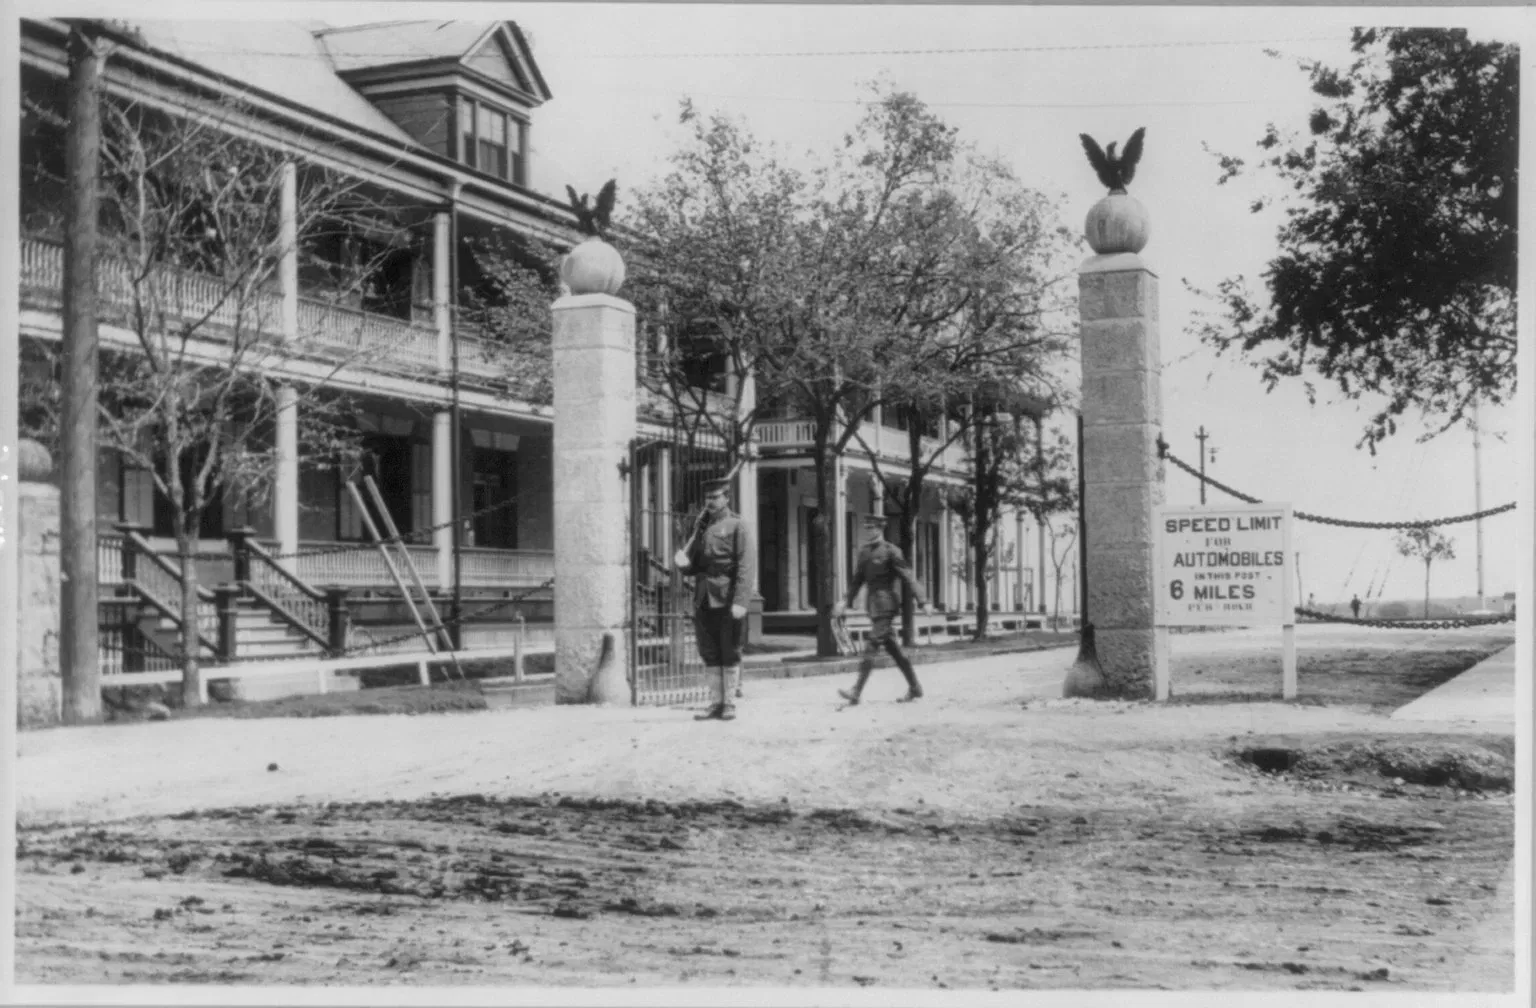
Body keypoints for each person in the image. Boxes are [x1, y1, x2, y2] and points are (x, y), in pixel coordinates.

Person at [674, 476, 754, 721]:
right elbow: (697, 566)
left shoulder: (737, 525)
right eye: (708, 497)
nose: (710, 501)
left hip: (727, 596)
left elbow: (746, 566)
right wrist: (683, 565)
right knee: (709, 650)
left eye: (715, 497)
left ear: (726, 498)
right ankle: (715, 702)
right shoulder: (701, 528)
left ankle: (729, 703)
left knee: (730, 650)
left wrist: (741, 600)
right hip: (704, 597)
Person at [834, 513, 930, 706]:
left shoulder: (891, 551)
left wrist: (922, 600)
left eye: (871, 528)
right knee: (894, 650)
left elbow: (908, 576)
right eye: (866, 527)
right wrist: (845, 601)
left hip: (887, 605)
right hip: (873, 606)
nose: (868, 531)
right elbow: (857, 581)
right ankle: (915, 687)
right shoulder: (864, 553)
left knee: (871, 644)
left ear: (880, 529)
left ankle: (856, 690)